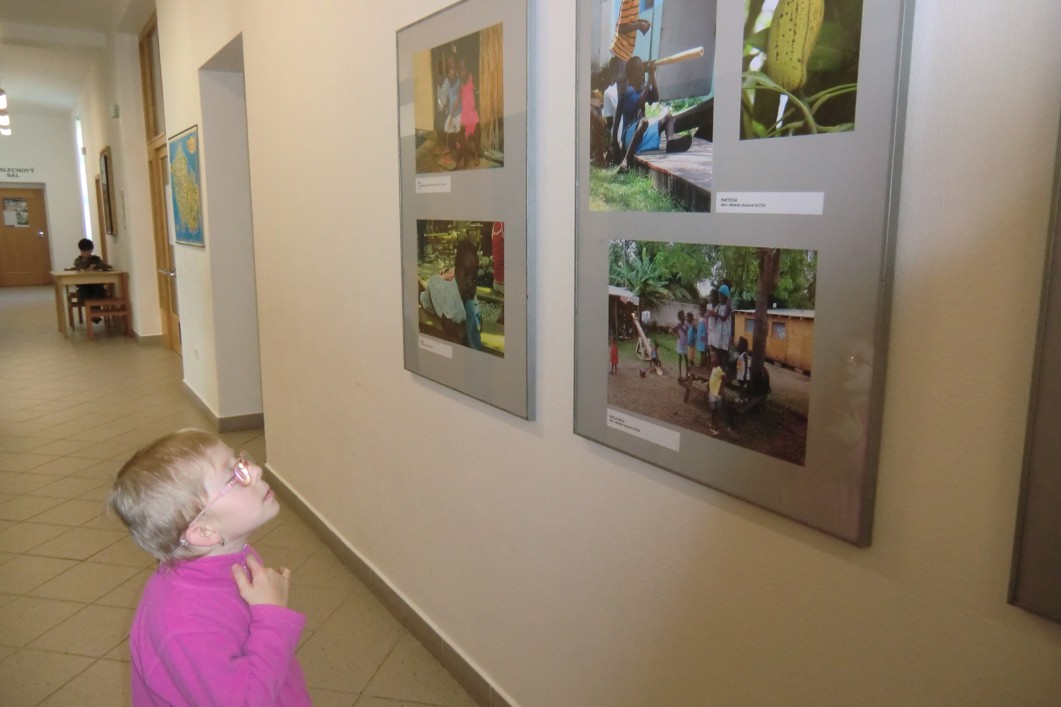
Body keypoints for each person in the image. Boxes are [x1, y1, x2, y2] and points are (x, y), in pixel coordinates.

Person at [108, 428, 311, 706]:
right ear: (204, 532)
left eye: (239, 460)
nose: (255, 470)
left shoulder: (231, 556)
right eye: (233, 476)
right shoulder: (184, 623)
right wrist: (272, 615)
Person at [614, 56, 691, 173]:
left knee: (668, 117)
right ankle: (627, 159)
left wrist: (653, 77)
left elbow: (655, 97)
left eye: (642, 71)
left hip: (641, 134)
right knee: (644, 121)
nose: (642, 74)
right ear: (632, 74)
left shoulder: (641, 87)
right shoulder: (629, 90)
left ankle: (670, 142)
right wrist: (650, 78)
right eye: (639, 71)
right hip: (630, 138)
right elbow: (640, 102)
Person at [419, 237, 482, 350]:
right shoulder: (453, 297)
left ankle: (436, 280)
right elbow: (445, 321)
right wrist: (459, 331)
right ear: (456, 272)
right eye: (466, 275)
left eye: (474, 278)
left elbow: (477, 316)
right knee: (424, 296)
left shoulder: (470, 292)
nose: (470, 283)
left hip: (444, 287)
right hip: (434, 293)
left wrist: (476, 323)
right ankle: (418, 282)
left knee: (442, 285)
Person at [72, 237, 111, 303]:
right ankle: (89, 306)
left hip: (96, 283)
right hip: (83, 284)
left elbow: (107, 266)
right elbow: (80, 266)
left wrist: (96, 266)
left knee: (98, 290)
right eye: (85, 251)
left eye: (89, 251)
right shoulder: (78, 261)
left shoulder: (96, 259)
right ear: (81, 251)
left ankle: (95, 307)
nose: (87, 253)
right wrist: (87, 265)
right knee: (85, 291)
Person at [458, 55, 480, 168]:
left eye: (463, 70)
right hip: (464, 113)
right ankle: (464, 156)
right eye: (460, 71)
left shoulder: (472, 78)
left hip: (472, 111)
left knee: (476, 135)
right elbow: (459, 98)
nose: (462, 73)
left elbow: (478, 91)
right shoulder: (460, 83)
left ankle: (476, 155)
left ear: (467, 69)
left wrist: (477, 92)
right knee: (463, 137)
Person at [707, 350, 725, 436]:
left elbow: (724, 378)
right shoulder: (713, 368)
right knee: (713, 410)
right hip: (712, 393)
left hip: (717, 394)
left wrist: (721, 386)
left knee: (718, 412)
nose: (711, 359)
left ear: (718, 359)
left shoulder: (719, 370)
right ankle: (712, 423)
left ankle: (716, 429)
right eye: (711, 357)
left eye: (713, 357)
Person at [672, 309, 689, 381]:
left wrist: (681, 327)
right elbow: (672, 329)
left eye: (684, 315)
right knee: (680, 358)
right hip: (679, 343)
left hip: (685, 343)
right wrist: (676, 335)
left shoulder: (686, 324)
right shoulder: (678, 324)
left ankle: (687, 374)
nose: (684, 316)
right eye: (682, 315)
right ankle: (680, 374)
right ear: (679, 317)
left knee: (686, 358)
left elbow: (686, 332)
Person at [696, 300, 709, 368]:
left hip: (704, 336)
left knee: (704, 350)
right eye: (699, 310)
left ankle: (703, 363)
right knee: (701, 350)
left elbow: (707, 328)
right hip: (700, 336)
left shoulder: (705, 319)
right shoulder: (700, 318)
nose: (700, 312)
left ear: (704, 310)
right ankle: (702, 362)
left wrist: (705, 336)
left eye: (701, 310)